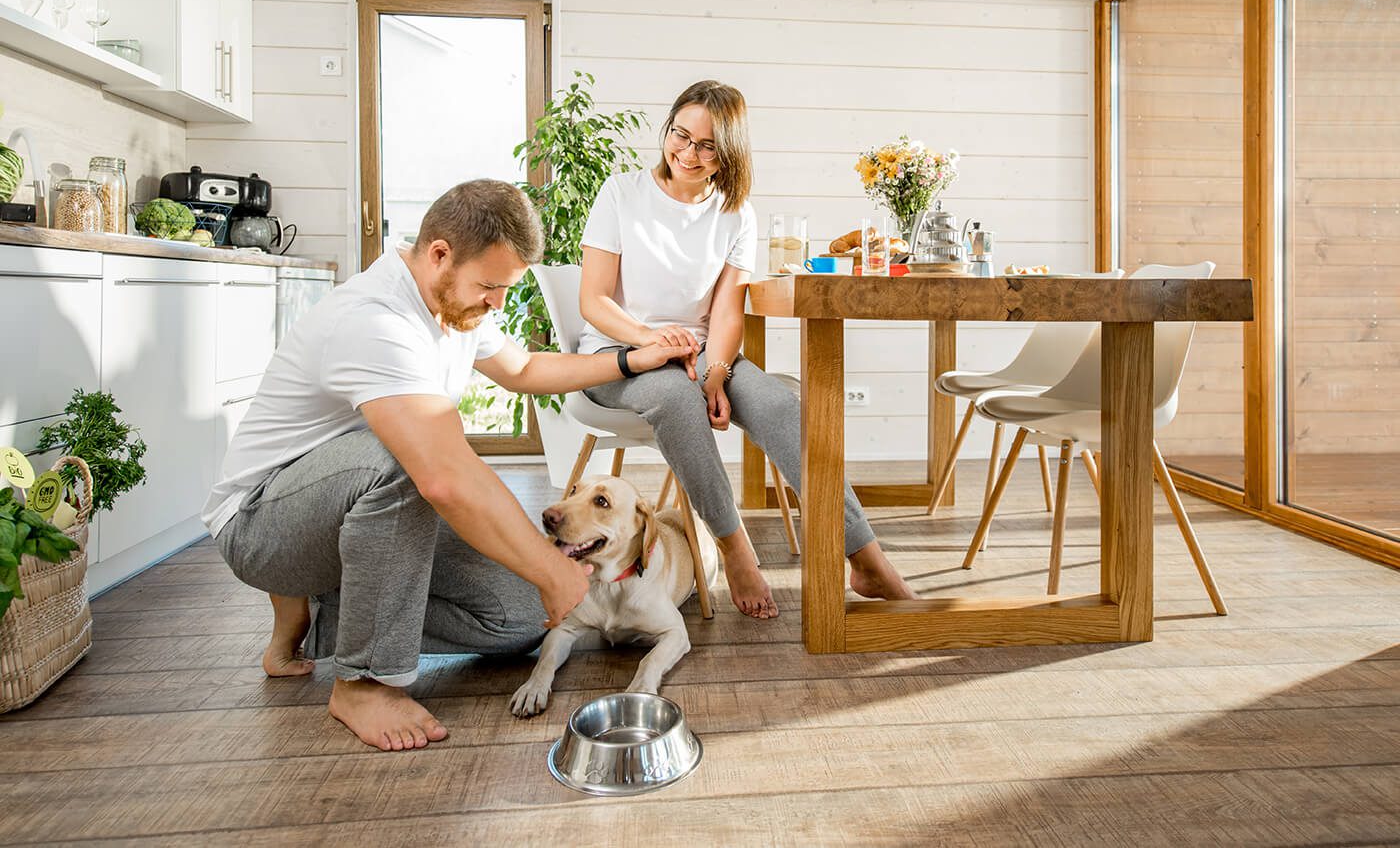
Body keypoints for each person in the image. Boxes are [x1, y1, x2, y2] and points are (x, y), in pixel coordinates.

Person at [201, 180, 691, 752]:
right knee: (412, 460)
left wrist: (633, 358)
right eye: (490, 286)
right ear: (439, 254)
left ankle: (324, 616)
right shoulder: (375, 321)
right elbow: (441, 476)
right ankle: (364, 681)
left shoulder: (455, 307)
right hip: (263, 526)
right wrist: (552, 568)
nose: (497, 304)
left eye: (505, 288)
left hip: (355, 521)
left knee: (522, 617)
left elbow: (526, 369)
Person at [578, 80, 916, 620]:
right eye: (680, 135)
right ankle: (736, 549)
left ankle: (867, 557)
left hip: (700, 353)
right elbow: (593, 300)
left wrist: (716, 372)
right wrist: (652, 340)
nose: (688, 153)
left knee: (782, 406)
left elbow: (728, 309)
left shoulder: (736, 212)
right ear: (667, 129)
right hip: (619, 353)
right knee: (673, 397)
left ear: (729, 153)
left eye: (707, 146)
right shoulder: (621, 194)